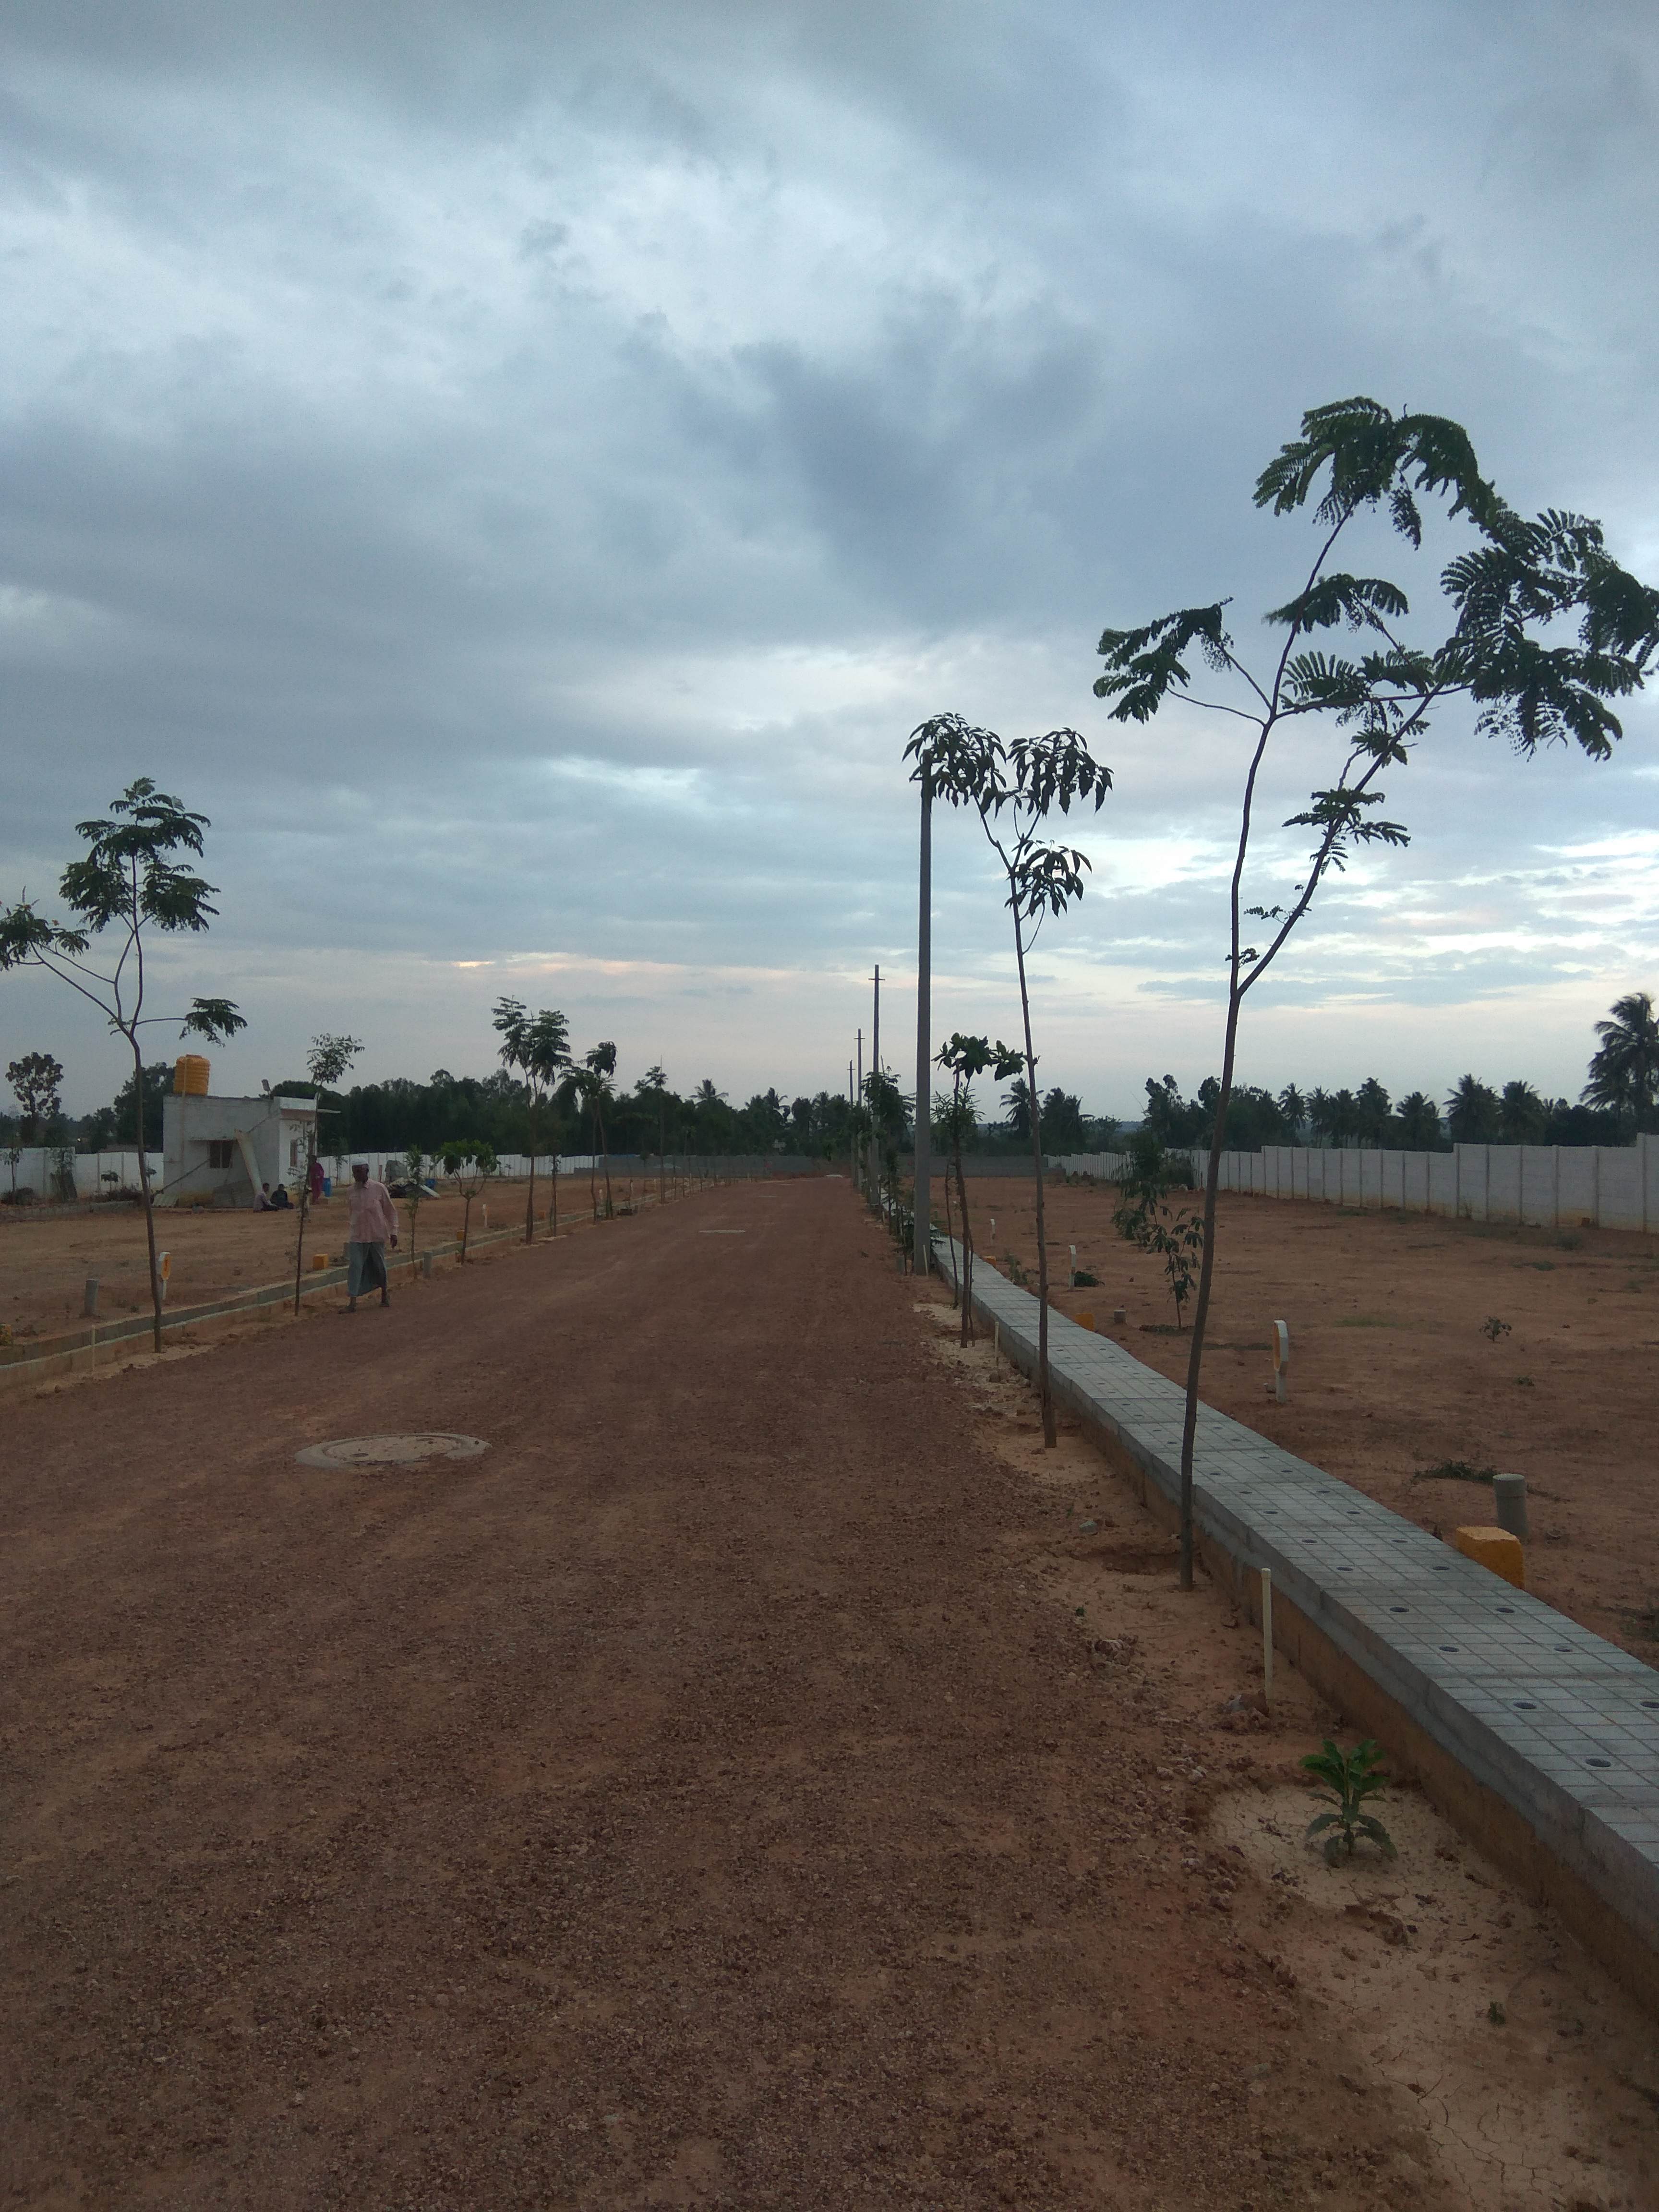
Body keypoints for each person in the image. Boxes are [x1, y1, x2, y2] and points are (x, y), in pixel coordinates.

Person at [345, 1160, 399, 1312]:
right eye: (354, 1172)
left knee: (379, 1266)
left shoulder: (379, 1188)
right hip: (357, 1236)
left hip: (377, 1235)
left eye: (359, 1172)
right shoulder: (350, 1191)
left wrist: (394, 1232)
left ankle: (384, 1295)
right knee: (355, 1266)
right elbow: (352, 1212)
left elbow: (390, 1212)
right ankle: (352, 1302)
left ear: (367, 1171)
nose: (356, 1175)